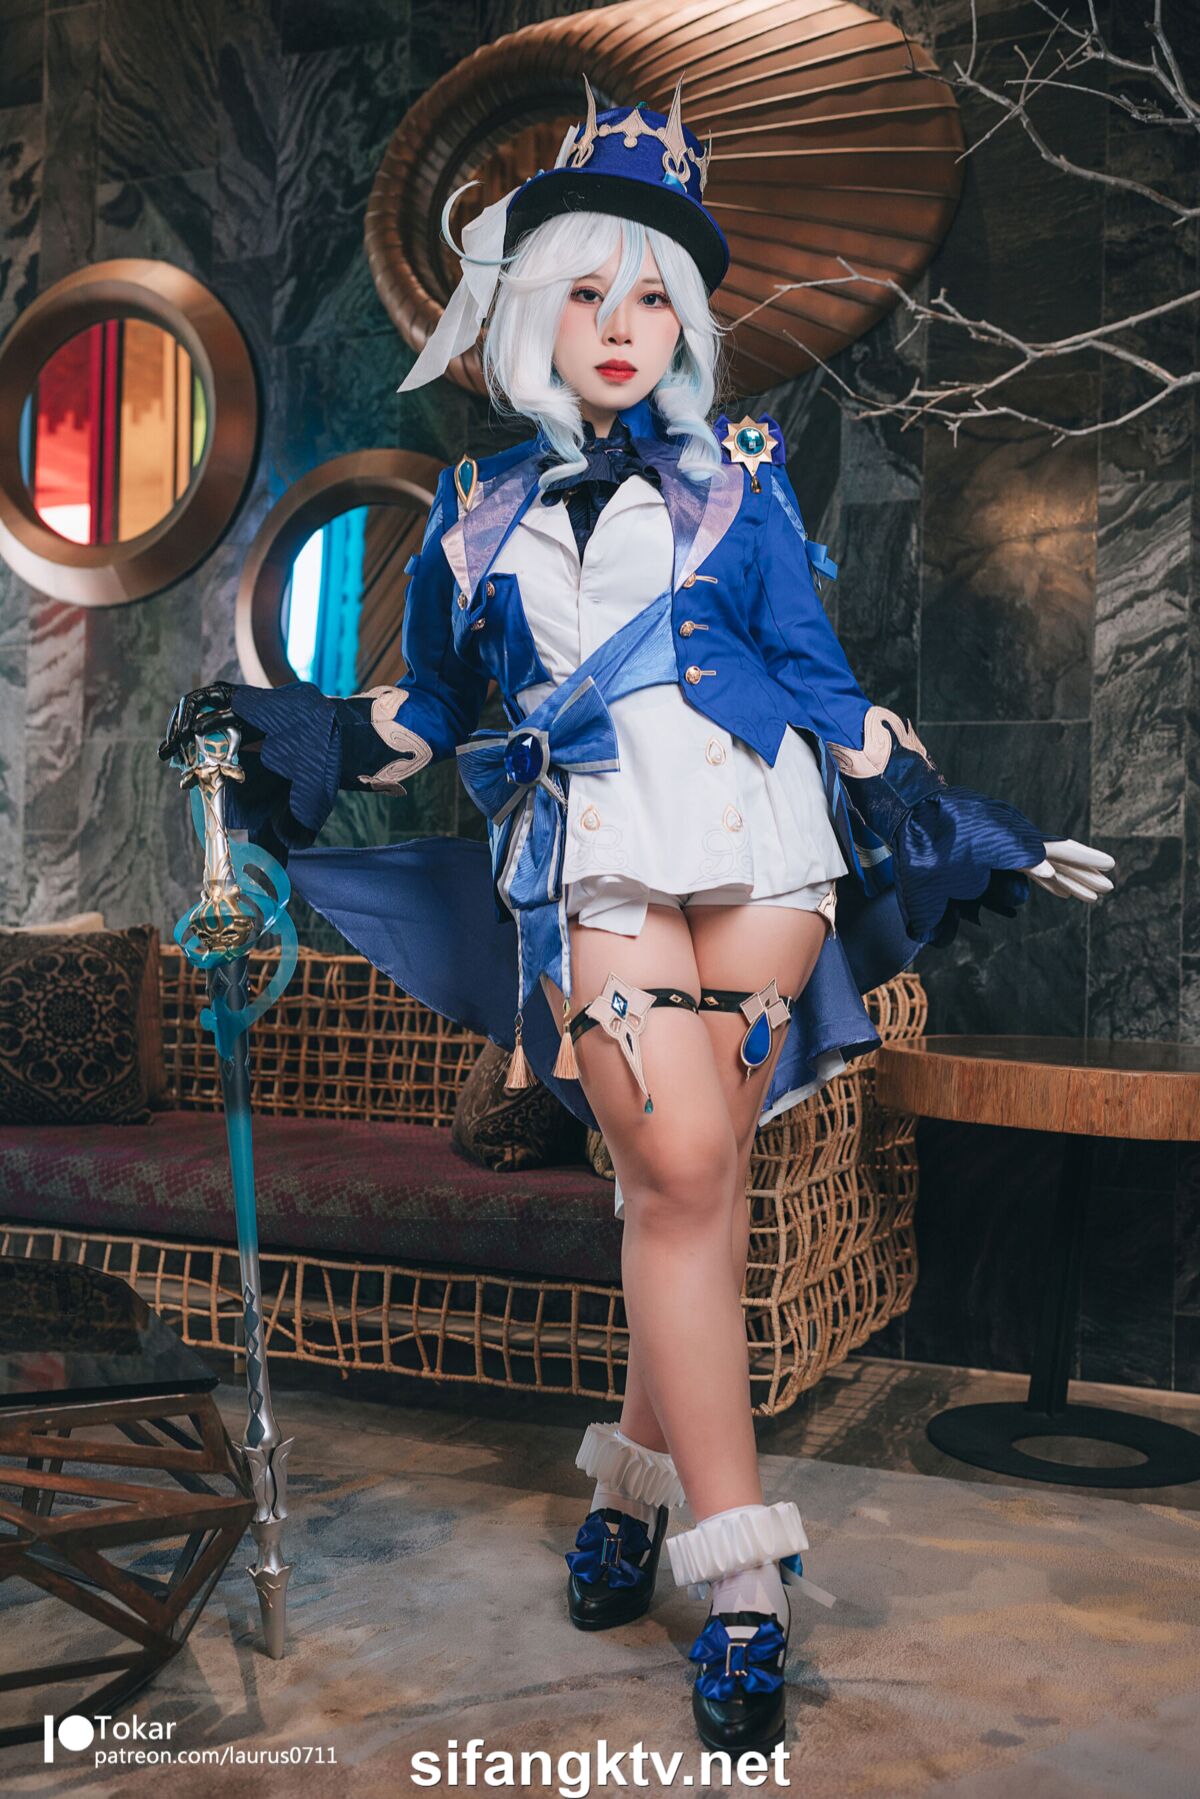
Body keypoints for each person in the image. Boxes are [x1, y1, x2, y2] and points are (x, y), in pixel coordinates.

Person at [160, 77, 1116, 1753]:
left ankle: (625, 1492)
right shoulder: (471, 514)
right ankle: (739, 1575)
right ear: (531, 306)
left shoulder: (742, 477)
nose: (622, 324)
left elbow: (819, 680)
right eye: (589, 289)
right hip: (591, 868)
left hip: (765, 860)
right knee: (678, 1177)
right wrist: (280, 732)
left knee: (692, 1195)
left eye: (654, 296)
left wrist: (957, 812)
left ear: (685, 321)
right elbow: (428, 716)